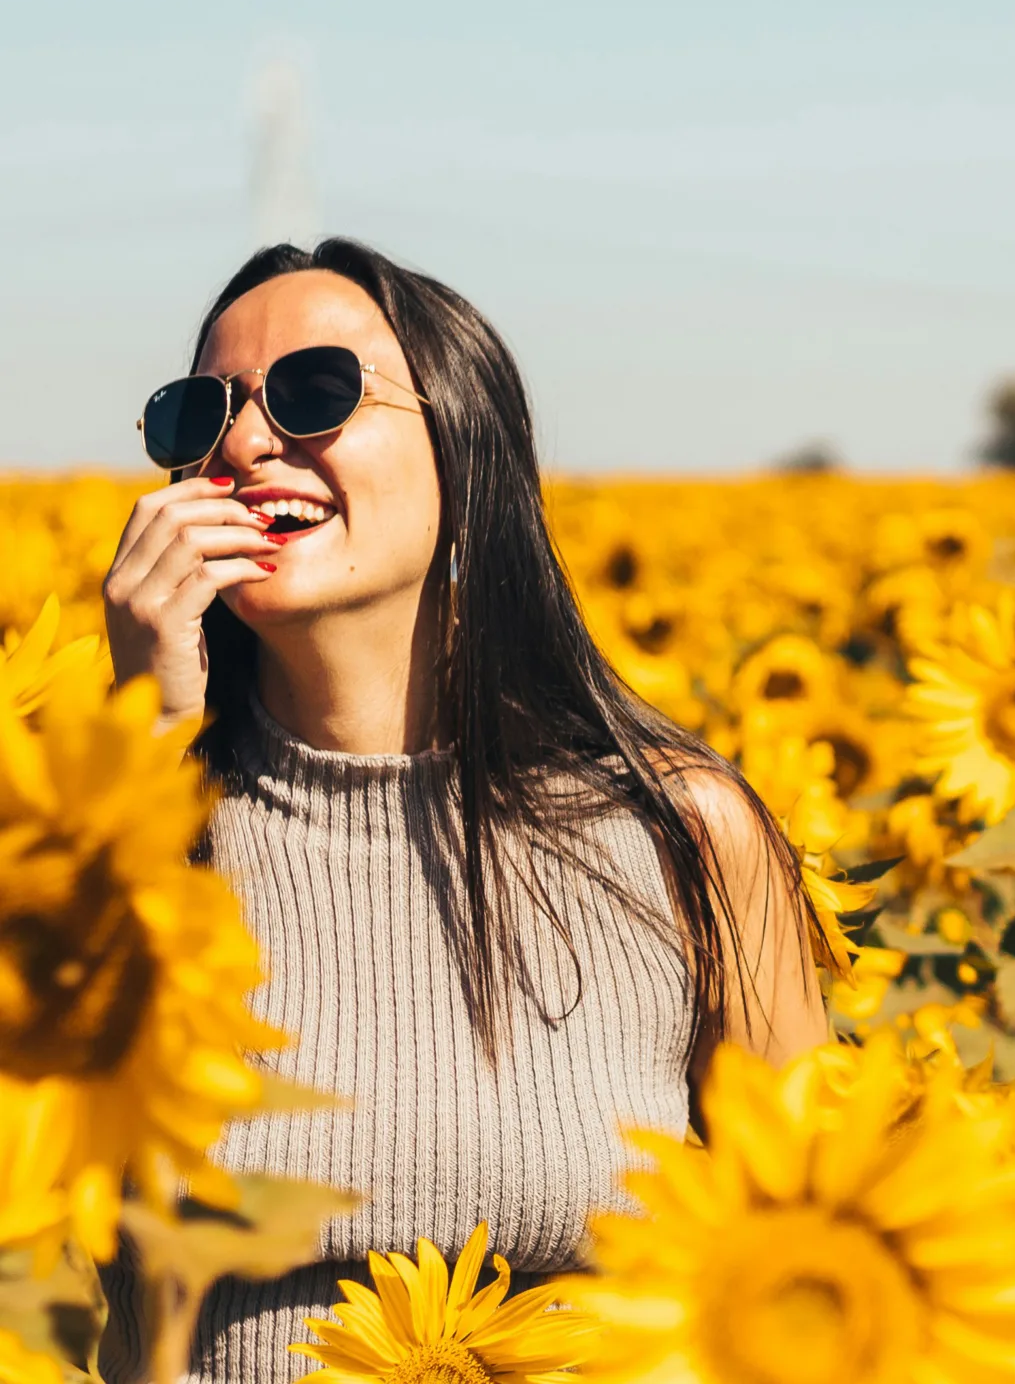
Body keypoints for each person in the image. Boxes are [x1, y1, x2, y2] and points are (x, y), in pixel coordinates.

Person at [98, 239, 828, 1383]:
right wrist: (131, 752)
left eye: (313, 391)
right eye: (202, 412)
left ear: (464, 444)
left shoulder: (682, 834)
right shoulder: (112, 838)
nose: (242, 442)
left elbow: (819, 1264)